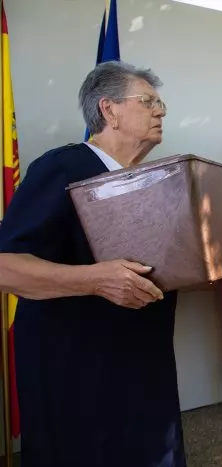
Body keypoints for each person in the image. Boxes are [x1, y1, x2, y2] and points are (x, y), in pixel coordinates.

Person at [0, 62, 186, 466]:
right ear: (109, 110)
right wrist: (95, 280)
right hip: (77, 373)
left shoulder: (156, 178)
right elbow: (6, 267)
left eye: (160, 102)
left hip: (143, 367)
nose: (161, 111)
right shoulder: (63, 168)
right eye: (148, 101)